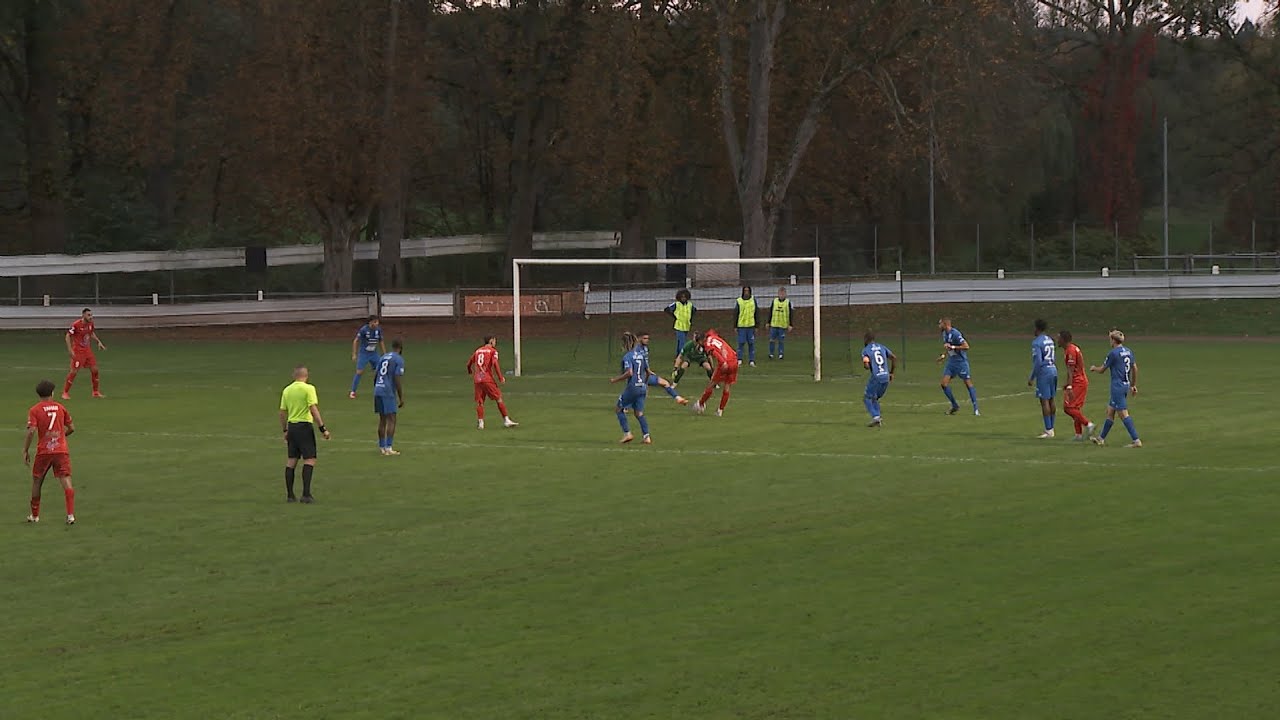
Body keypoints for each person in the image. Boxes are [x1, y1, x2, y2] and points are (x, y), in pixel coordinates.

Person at [23, 380, 76, 524]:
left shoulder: (34, 410)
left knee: (37, 482)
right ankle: (70, 515)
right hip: (61, 450)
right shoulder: (60, 407)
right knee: (65, 479)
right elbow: (72, 428)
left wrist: (25, 450)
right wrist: (60, 437)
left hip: (44, 451)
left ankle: (34, 516)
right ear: (52, 393)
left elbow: (31, 431)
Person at [279, 365, 331, 503]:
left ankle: (290, 495)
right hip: (304, 427)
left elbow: (282, 412)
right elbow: (313, 408)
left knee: (291, 460)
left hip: (292, 427)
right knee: (309, 459)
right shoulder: (309, 389)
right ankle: (306, 494)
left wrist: (285, 430)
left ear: (294, 376)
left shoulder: (287, 390)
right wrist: (322, 428)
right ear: (306, 376)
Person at [1089, 329, 1142, 448]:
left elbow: (1102, 370)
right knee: (1110, 411)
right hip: (1125, 384)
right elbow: (1135, 368)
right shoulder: (1128, 351)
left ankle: (1136, 440)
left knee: (1123, 414)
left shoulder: (1113, 353)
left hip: (1117, 386)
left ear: (1113, 340)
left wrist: (1094, 368)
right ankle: (1101, 438)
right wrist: (1133, 385)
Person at [467, 336, 518, 430]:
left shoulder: (478, 351)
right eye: (494, 341)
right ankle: (506, 420)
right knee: (498, 398)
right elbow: (495, 364)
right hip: (487, 379)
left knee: (480, 401)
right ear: (491, 341)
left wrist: (469, 370)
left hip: (477, 379)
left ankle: (481, 423)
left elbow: (469, 362)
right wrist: (500, 377)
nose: (495, 342)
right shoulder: (493, 351)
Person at [610, 332, 653, 444]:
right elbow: (648, 372)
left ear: (626, 344)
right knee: (639, 413)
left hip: (632, 388)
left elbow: (629, 373)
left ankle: (627, 433)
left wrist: (616, 379)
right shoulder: (641, 355)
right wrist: (645, 384)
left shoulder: (627, 356)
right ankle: (646, 436)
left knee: (619, 409)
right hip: (642, 387)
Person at [936, 318, 979, 416]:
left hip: (961, 363)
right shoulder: (944, 334)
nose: (939, 326)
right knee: (943, 384)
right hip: (951, 362)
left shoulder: (955, 333)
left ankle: (976, 408)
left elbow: (966, 346)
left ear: (945, 324)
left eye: (940, 324)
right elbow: (948, 346)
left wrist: (954, 347)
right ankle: (955, 405)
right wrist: (943, 355)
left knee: (968, 384)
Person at [1059, 330, 1096, 441]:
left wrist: (1070, 386)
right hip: (1079, 381)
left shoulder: (1070, 351)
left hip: (1078, 382)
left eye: (1059, 338)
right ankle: (1078, 434)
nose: (1057, 340)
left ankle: (1088, 424)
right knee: (1075, 408)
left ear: (1063, 339)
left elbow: (1071, 370)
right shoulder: (1072, 348)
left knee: (1068, 408)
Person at [63, 308, 106, 400]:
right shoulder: (76, 325)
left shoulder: (90, 324)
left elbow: (91, 333)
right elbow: (67, 336)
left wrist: (99, 342)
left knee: (95, 370)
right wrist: (70, 350)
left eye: (91, 315)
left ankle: (95, 392)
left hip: (87, 351)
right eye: (89, 315)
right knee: (74, 371)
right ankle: (65, 392)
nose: (91, 317)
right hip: (78, 352)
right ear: (83, 315)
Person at [695, 328, 739, 416]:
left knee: (712, 384)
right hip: (734, 360)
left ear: (700, 341)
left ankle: (700, 404)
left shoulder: (707, 345)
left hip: (724, 363)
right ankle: (720, 410)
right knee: (727, 387)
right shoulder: (712, 335)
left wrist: (723, 362)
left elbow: (715, 352)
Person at [636, 331, 689, 405]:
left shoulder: (645, 348)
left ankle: (678, 398)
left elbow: (645, 362)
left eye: (648, 338)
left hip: (646, 374)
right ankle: (625, 406)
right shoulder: (636, 350)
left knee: (664, 383)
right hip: (638, 375)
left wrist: (648, 370)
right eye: (644, 338)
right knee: (640, 393)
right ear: (639, 339)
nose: (647, 340)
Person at [373, 340, 406, 456]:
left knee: (382, 419)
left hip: (378, 389)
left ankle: (382, 447)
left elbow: (376, 374)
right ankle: (388, 447)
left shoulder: (383, 357)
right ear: (401, 348)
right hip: (387, 391)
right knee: (392, 418)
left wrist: (376, 387)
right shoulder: (398, 359)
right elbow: (397, 377)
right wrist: (401, 397)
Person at [1028, 318, 1058, 438]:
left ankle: (1048, 430)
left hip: (1044, 372)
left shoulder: (1036, 342)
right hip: (1053, 369)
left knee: (1044, 400)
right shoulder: (1050, 340)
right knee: (1051, 399)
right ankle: (1052, 428)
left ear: (1037, 328)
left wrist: (1032, 377)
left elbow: (1038, 362)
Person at [860, 332, 896, 427]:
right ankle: (878, 418)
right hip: (885, 377)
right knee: (874, 398)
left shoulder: (866, 350)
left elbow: (867, 365)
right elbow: (893, 357)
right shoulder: (881, 347)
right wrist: (891, 372)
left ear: (865, 340)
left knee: (867, 398)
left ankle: (876, 417)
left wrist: (865, 364)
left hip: (876, 377)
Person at [349, 315, 386, 399]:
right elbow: (356, 341)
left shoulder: (378, 330)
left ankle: (379, 390)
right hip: (364, 354)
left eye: (377, 322)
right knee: (359, 372)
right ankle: (353, 391)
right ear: (371, 322)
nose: (377, 323)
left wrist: (384, 354)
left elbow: (381, 341)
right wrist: (354, 354)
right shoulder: (364, 330)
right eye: (375, 322)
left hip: (374, 353)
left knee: (379, 372)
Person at [732, 286, 760, 367]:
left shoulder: (753, 301)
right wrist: (735, 326)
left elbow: (757, 313)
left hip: (751, 326)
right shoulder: (739, 301)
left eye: (748, 291)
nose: (746, 292)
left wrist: (757, 325)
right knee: (741, 343)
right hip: (741, 326)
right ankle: (739, 360)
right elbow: (736, 314)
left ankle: (751, 360)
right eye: (745, 291)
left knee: (751, 344)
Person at [664, 289, 696, 358]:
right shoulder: (676, 304)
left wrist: (690, 320)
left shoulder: (690, 304)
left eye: (685, 297)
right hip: (679, 325)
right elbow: (666, 309)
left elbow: (694, 311)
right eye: (682, 297)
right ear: (679, 297)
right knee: (682, 341)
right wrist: (674, 316)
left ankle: (678, 354)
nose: (683, 298)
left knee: (680, 341)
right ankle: (682, 355)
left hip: (686, 325)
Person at [767, 287, 795, 360]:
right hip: (774, 324)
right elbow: (770, 312)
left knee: (781, 341)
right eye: (780, 293)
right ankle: (771, 353)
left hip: (782, 325)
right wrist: (768, 322)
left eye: (783, 293)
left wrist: (790, 324)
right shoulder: (774, 301)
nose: (782, 295)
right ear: (778, 294)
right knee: (772, 340)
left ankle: (781, 354)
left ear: (785, 294)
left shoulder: (788, 302)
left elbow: (790, 314)